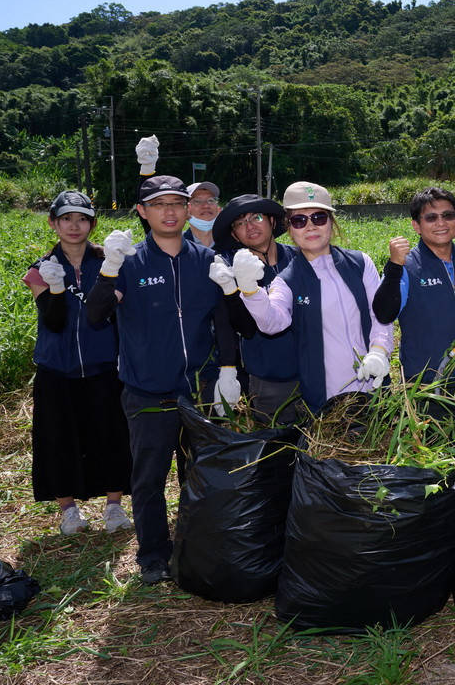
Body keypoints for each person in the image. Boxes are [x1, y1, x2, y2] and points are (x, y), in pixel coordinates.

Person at [86, 175, 236, 584]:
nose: (169, 211)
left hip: (201, 389)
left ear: (188, 209)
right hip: (148, 389)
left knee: (200, 472)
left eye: (177, 203)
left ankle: (196, 544)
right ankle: (153, 553)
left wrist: (227, 370)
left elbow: (222, 323)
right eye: (158, 204)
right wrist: (108, 273)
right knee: (149, 478)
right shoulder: (129, 261)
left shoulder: (206, 261)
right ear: (142, 212)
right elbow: (96, 315)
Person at [23, 191, 133, 536]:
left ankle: (114, 506)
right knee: (58, 440)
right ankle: (69, 510)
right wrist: (55, 287)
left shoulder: (110, 263)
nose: (74, 225)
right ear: (53, 222)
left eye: (82, 218)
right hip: (57, 368)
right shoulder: (41, 270)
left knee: (111, 435)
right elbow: (53, 322)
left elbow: (110, 314)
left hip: (104, 367)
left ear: (92, 224)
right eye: (66, 218)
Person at [235, 182, 393, 418]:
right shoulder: (287, 279)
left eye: (319, 217)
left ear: (331, 221)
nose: (310, 226)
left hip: (374, 384)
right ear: (289, 227)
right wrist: (250, 291)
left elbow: (380, 314)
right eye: (299, 220)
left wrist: (379, 350)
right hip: (326, 398)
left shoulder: (360, 263)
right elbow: (273, 322)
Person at [372, 187, 455, 429]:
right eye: (430, 217)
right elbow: (384, 313)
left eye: (448, 216)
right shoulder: (407, 267)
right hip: (426, 386)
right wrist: (394, 267)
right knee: (432, 462)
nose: (441, 223)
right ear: (416, 225)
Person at [207, 194, 302, 424]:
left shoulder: (299, 259)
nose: (250, 226)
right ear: (234, 234)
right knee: (277, 450)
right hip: (270, 379)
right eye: (240, 223)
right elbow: (241, 328)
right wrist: (232, 290)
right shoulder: (230, 273)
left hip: (315, 373)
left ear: (271, 220)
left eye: (256, 217)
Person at [132, 135, 222, 247]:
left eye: (211, 200)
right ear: (186, 210)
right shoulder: (172, 244)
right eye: (197, 201)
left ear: (219, 209)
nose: (206, 206)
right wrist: (147, 168)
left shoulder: (234, 242)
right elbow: (148, 210)